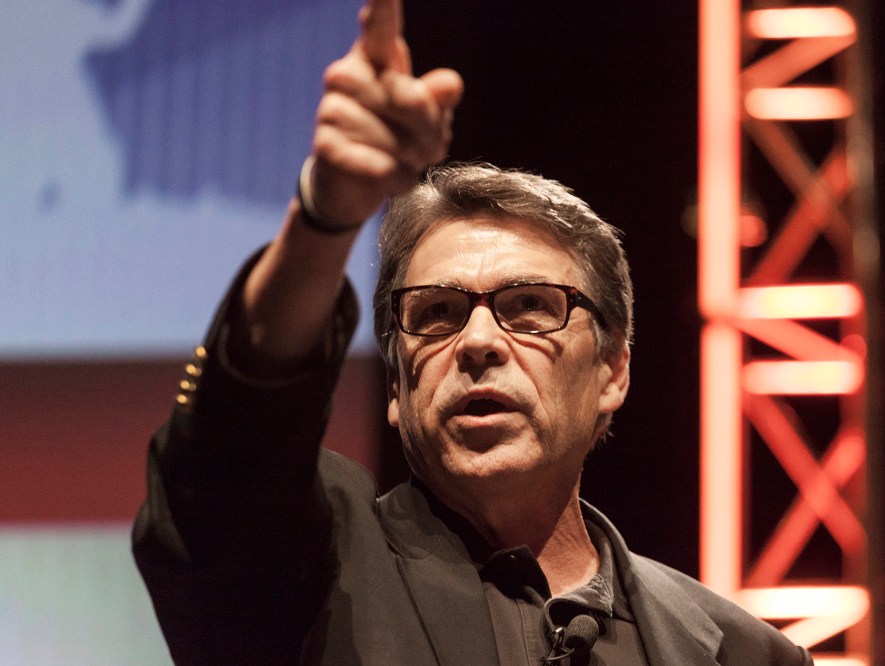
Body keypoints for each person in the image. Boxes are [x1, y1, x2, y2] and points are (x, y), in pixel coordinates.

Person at [133, 1, 814, 664]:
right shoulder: (313, 568)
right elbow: (231, 452)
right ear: (398, 386)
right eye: (436, 314)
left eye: (529, 307)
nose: (479, 342)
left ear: (612, 372)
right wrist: (327, 215)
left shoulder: (743, 654)